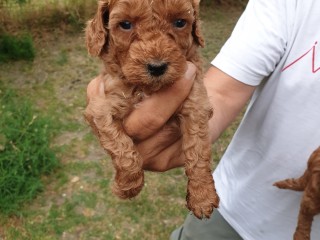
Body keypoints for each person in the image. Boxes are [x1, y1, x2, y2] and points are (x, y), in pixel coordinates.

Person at [86, 0, 320, 239]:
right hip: (236, 210)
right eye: (125, 25)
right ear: (102, 28)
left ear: (194, 26)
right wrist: (127, 164)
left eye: (179, 23)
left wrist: (199, 181)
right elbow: (221, 95)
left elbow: (199, 112)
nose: (156, 56)